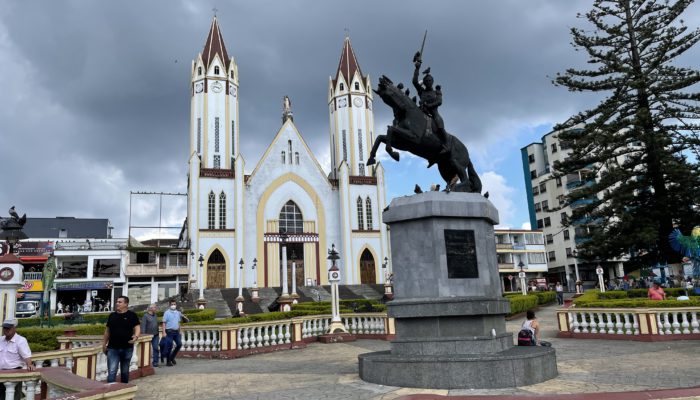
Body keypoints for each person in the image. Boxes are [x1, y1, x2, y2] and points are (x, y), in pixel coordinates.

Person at [412, 52, 449, 167]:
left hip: (433, 114)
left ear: (432, 82)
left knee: (439, 123)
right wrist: (417, 68)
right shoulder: (421, 92)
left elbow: (439, 102)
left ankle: (446, 144)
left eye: (429, 81)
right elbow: (414, 81)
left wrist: (429, 105)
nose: (428, 82)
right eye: (426, 81)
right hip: (422, 113)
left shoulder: (436, 91)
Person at [102, 296, 140, 383]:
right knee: (112, 372)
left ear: (126, 304)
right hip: (112, 348)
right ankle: (111, 392)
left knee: (125, 372)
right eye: (117, 302)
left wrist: (136, 336)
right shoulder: (112, 316)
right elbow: (107, 331)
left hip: (127, 347)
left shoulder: (132, 315)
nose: (117, 303)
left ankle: (124, 390)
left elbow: (137, 327)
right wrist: (104, 344)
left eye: (120, 302)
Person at [0, 319, 34, 400]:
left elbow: (27, 355)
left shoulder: (21, 340)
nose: (6, 330)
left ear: (14, 328)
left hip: (14, 373)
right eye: (4, 328)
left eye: (8, 328)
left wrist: (29, 365)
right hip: (1, 373)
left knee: (14, 396)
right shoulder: (0, 340)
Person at [162, 300, 189, 367]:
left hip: (176, 332)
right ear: (169, 305)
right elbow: (164, 323)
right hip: (169, 331)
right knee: (169, 346)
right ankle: (168, 361)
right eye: (172, 304)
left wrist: (180, 330)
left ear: (176, 305)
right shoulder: (166, 313)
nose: (173, 305)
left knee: (179, 344)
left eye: (174, 304)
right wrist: (163, 332)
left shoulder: (178, 313)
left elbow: (179, 322)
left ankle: (172, 357)